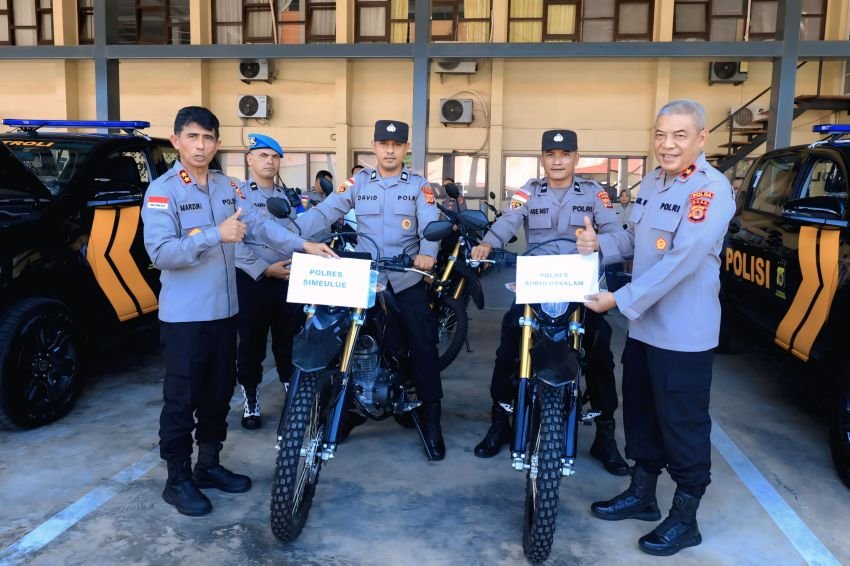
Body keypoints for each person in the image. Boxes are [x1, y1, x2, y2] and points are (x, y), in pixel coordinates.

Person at [142, 106, 335, 517]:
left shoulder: (229, 187)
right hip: (186, 319)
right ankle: (177, 480)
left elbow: (262, 226)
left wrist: (305, 245)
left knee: (217, 395)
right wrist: (215, 234)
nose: (200, 145)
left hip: (225, 313)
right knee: (181, 400)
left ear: (217, 144)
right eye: (192, 137)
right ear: (176, 141)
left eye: (208, 138)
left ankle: (208, 465)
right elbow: (160, 254)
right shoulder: (162, 192)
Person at [578, 99, 735, 556]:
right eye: (661, 135)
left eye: (679, 135)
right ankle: (643, 494)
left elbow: (682, 260)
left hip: (683, 333)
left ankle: (685, 519)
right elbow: (634, 238)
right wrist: (599, 243)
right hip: (645, 326)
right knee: (642, 413)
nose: (667, 145)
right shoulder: (651, 182)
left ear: (701, 138)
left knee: (683, 423)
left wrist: (618, 299)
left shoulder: (710, 191)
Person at [469, 129, 631, 477]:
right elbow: (508, 221)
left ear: (576, 158)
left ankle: (605, 435)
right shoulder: (528, 191)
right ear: (542, 158)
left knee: (600, 352)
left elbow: (618, 236)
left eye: (565, 154)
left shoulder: (594, 193)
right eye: (550, 154)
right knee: (509, 346)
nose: (557, 161)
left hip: (579, 287)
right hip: (537, 283)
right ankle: (500, 421)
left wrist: (598, 242)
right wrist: (487, 244)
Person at [296, 119, 446, 459]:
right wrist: (291, 235)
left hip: (405, 277)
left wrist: (428, 253)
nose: (390, 150)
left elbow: (429, 223)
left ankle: (431, 415)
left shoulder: (419, 185)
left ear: (406, 148)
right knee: (345, 340)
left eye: (396, 145)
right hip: (363, 279)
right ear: (374, 146)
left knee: (422, 341)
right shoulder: (357, 182)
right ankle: (350, 409)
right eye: (383, 144)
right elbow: (325, 212)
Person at [234, 133, 306, 430]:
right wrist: (264, 268)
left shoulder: (290, 197)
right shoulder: (237, 195)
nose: (270, 161)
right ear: (250, 159)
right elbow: (233, 242)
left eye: (275, 157)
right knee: (251, 344)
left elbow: (302, 233)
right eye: (263, 155)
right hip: (253, 280)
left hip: (288, 278)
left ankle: (291, 394)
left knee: (288, 341)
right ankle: (251, 400)